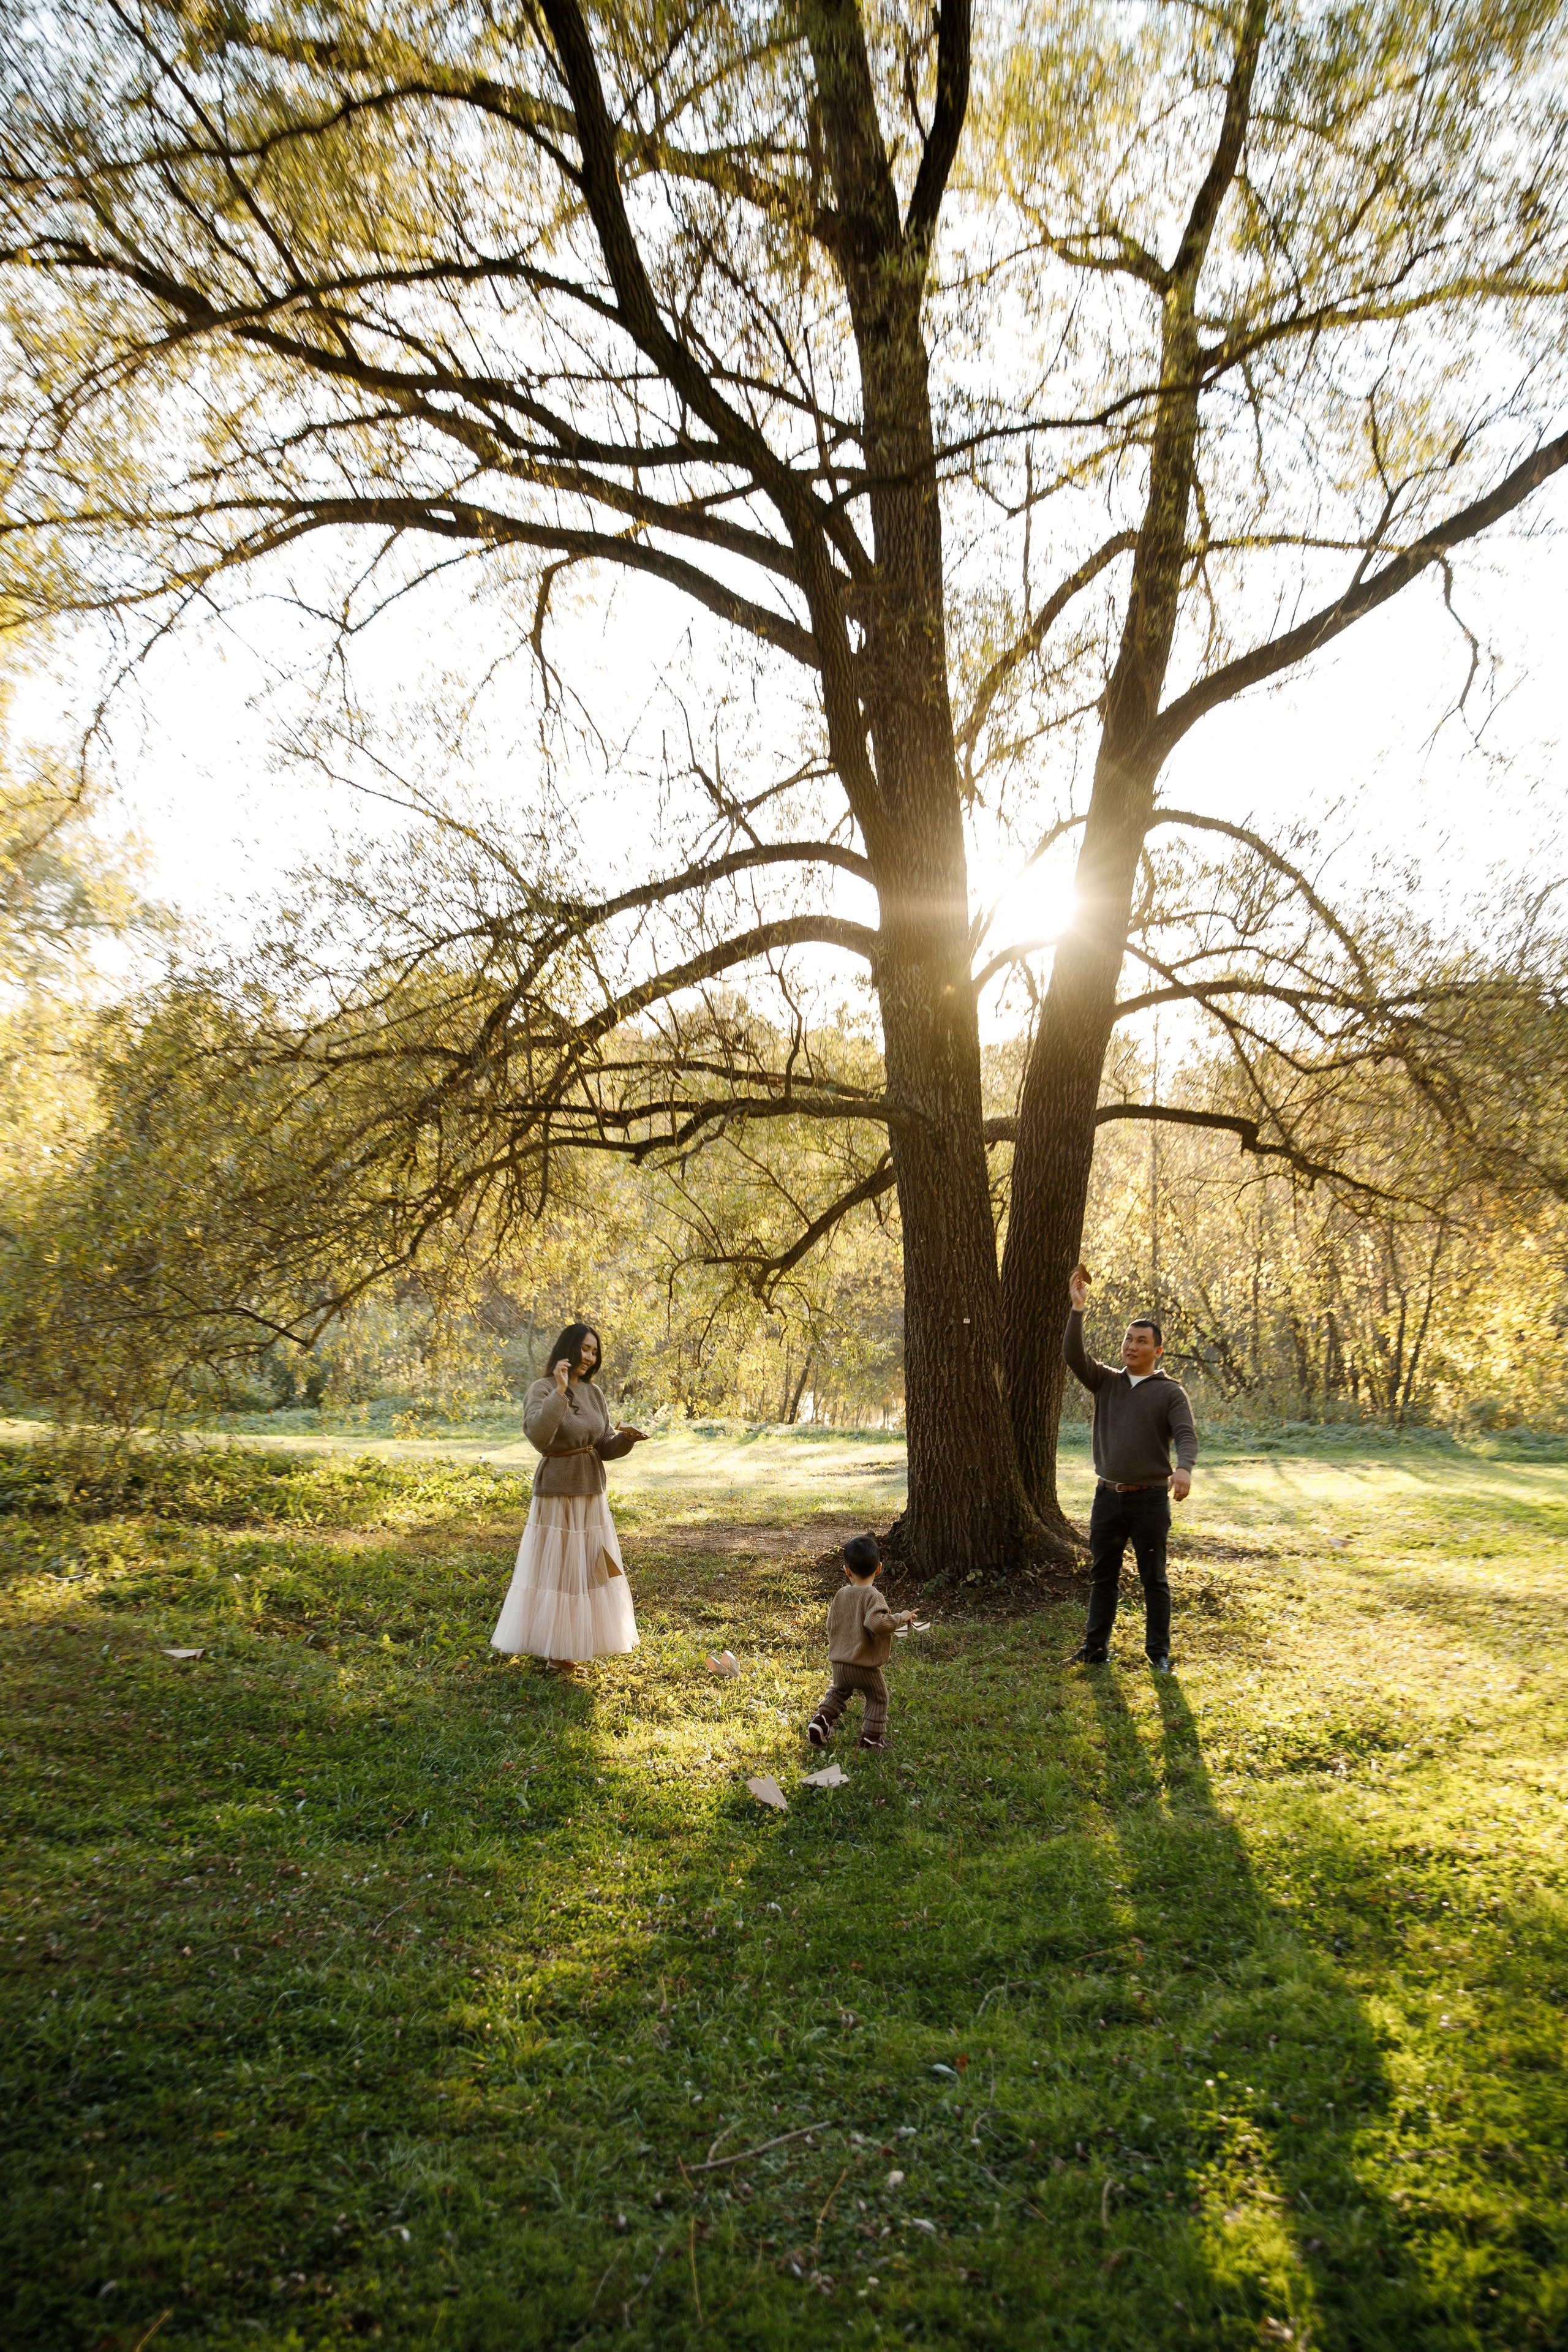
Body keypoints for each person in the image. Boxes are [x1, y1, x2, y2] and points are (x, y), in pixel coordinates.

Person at [491, 1322, 648, 1675]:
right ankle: (554, 1650)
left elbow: (603, 1444)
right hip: (557, 1493)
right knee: (558, 1568)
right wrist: (560, 1392)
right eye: (585, 1349)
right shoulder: (542, 1388)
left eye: (595, 1352)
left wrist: (626, 1440)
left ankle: (579, 1641)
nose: (589, 1358)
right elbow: (538, 1437)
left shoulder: (595, 1394)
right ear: (569, 1347)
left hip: (591, 1492)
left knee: (592, 1568)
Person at [1062, 1267, 1197, 1672]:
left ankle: (1158, 1654)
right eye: (1128, 1339)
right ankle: (1095, 1649)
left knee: (1154, 1580)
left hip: (1150, 1501)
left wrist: (1184, 1469)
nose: (1132, 1346)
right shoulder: (1106, 1381)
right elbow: (1073, 1355)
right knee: (1102, 1578)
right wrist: (1078, 1310)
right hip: (1107, 1498)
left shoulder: (1170, 1392)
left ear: (1157, 1352)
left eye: (1142, 1341)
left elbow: (1186, 1435)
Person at [806, 1533, 918, 1752]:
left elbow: (832, 1624)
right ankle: (871, 1740)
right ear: (879, 1569)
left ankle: (820, 1721)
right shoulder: (873, 1595)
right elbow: (876, 1623)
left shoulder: (840, 1594)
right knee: (878, 1697)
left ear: (847, 1570)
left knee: (838, 1692)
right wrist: (900, 1618)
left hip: (840, 1663)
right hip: (864, 1666)